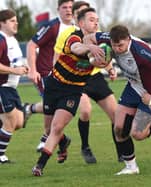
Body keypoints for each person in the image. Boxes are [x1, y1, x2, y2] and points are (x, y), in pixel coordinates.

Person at [84, 25, 151, 175]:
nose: (117, 49)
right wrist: (91, 49)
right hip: (133, 87)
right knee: (119, 127)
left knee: (138, 134)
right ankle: (131, 167)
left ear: (128, 39)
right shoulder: (108, 38)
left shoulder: (141, 51)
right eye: (114, 46)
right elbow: (88, 37)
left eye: (120, 45)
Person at [31, 7, 107, 176]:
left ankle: (39, 166)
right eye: (92, 19)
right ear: (81, 23)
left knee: (57, 127)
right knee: (49, 129)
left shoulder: (100, 43)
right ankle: (64, 142)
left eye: (97, 20)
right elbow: (77, 48)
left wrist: (108, 65)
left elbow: (103, 59)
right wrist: (90, 49)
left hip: (73, 90)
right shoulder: (74, 36)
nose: (96, 23)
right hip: (54, 85)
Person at [53, 1, 122, 164]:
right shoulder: (68, 34)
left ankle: (122, 152)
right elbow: (58, 57)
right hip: (77, 79)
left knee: (116, 114)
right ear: (79, 19)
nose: (94, 21)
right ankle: (85, 147)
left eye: (94, 17)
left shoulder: (98, 34)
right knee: (85, 111)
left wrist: (110, 68)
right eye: (87, 16)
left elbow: (104, 54)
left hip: (96, 77)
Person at [26, 0, 74, 160]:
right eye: (64, 7)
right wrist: (33, 70)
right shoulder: (52, 26)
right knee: (52, 116)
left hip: (66, 77)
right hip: (46, 75)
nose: (68, 10)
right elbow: (32, 45)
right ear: (58, 10)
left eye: (70, 7)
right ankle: (59, 143)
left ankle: (60, 142)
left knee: (56, 116)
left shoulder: (77, 28)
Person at [0, 9, 29, 163]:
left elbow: (13, 62)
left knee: (18, 122)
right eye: (12, 20)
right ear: (2, 23)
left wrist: (22, 67)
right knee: (10, 122)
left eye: (16, 20)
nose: (16, 23)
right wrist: (14, 70)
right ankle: (0, 156)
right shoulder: (1, 39)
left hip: (11, 88)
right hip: (2, 87)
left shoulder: (13, 40)